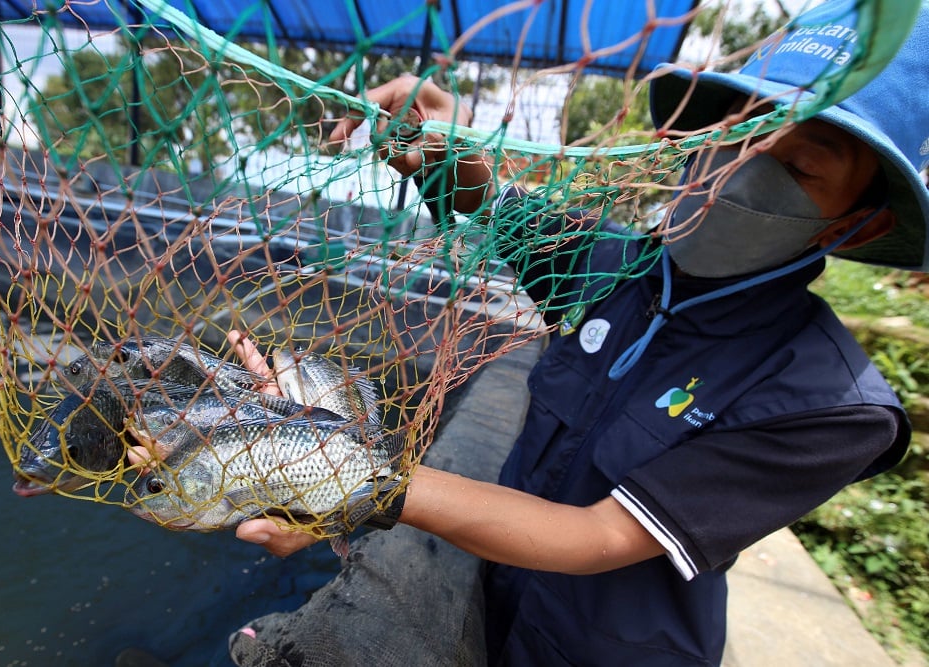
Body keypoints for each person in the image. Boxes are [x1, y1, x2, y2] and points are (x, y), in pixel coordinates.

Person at [223, 1, 929, 665]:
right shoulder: (614, 265)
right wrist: (446, 141)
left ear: (861, 222)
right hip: (492, 605)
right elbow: (493, 203)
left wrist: (346, 480)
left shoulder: (829, 403)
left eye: (801, 165)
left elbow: (596, 535)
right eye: (740, 127)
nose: (742, 164)